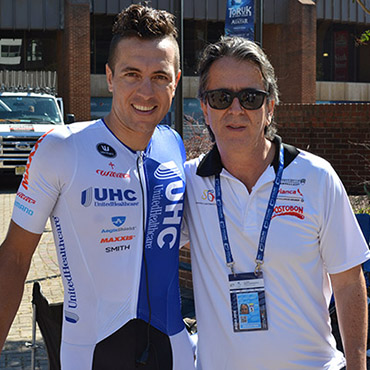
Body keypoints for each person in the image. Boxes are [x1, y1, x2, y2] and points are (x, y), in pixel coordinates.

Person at [0, 4, 195, 370]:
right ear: (109, 77)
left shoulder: (173, 145)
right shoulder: (62, 148)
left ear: (176, 80)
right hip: (93, 353)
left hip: (174, 349)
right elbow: (13, 258)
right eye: (131, 74)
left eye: (159, 76)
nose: (146, 90)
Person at [182, 36, 370, 369]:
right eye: (222, 97)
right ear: (206, 110)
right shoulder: (188, 183)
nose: (236, 109)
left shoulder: (316, 177)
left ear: (270, 108)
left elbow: (347, 280)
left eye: (251, 98)